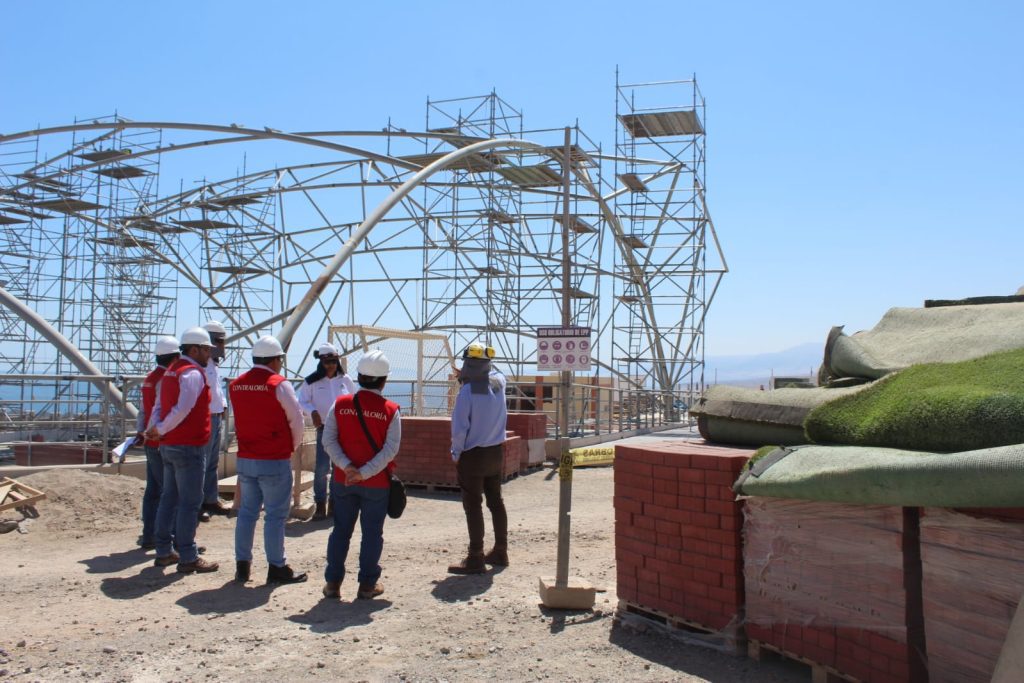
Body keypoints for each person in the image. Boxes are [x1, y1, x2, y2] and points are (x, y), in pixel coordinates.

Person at [322, 349, 401, 600]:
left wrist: (347, 467)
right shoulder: (391, 410)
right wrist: (364, 473)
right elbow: (390, 450)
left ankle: (333, 583)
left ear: (358, 376)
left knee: (340, 531)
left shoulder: (340, 404)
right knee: (372, 534)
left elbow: (328, 440)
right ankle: (367, 585)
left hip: (343, 481)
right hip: (376, 484)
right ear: (384, 380)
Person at [229, 336, 308, 585]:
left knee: (247, 513)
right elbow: (296, 420)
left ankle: (242, 566)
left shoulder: (236, 385)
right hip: (273, 458)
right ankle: (277, 566)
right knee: (275, 515)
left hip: (246, 457)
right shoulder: (278, 385)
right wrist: (291, 447)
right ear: (275, 360)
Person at [145, 326, 219, 574]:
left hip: (169, 444)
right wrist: (160, 428)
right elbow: (184, 408)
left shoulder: (171, 372)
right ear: (194, 349)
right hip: (188, 445)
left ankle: (164, 550)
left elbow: (159, 405)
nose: (209, 354)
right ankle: (188, 555)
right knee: (190, 502)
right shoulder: (192, 374)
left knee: (169, 498)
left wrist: (156, 428)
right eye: (206, 349)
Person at [448, 341, 509, 574]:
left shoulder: (466, 392)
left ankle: (476, 556)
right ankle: (501, 550)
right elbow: (487, 380)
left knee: (473, 505)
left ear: (467, 364)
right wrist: (467, 377)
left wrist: (456, 453)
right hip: (495, 452)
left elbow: (460, 428)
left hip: (473, 455)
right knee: (496, 502)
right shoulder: (499, 382)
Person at [297, 342, 356, 520]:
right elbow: (302, 401)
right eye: (327, 362)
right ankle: (320, 503)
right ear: (321, 362)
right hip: (324, 428)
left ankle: (334, 503)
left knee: (339, 467)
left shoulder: (345, 379)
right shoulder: (311, 381)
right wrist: (313, 412)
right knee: (322, 468)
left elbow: (354, 399)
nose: (331, 365)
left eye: (334, 361)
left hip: (343, 429)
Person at [136, 335, 180, 550]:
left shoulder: (149, 379)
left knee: (153, 491)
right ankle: (172, 538)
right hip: (162, 440)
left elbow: (143, 410)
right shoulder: (166, 380)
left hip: (149, 440)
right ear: (175, 357)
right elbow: (164, 410)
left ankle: (149, 535)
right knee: (170, 493)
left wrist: (140, 431)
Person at [199, 320, 231, 519]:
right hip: (205, 417)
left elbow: (216, 389)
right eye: (219, 341)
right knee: (202, 463)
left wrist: (223, 405)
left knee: (212, 462)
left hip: (216, 416)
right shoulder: (199, 366)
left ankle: (210, 499)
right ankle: (199, 503)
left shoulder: (212, 364)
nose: (222, 346)